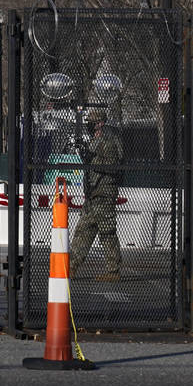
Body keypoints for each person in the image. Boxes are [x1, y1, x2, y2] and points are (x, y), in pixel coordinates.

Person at [68, 107, 123, 281]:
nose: (90, 126)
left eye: (93, 123)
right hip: (93, 193)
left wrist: (92, 158)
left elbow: (113, 164)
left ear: (100, 123)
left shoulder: (109, 140)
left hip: (104, 191)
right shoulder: (95, 140)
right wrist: (86, 153)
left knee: (107, 232)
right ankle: (72, 266)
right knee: (83, 230)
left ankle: (113, 270)